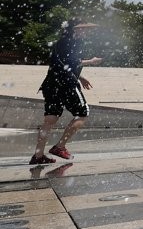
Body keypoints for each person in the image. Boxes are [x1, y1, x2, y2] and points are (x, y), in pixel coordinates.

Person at [29, 20, 102, 165]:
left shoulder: (60, 42)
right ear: (74, 29)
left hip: (51, 84)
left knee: (50, 120)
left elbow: (60, 64)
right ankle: (60, 147)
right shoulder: (73, 43)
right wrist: (92, 61)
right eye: (83, 29)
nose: (86, 32)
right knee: (82, 113)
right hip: (66, 85)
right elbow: (73, 62)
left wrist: (80, 77)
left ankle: (38, 155)